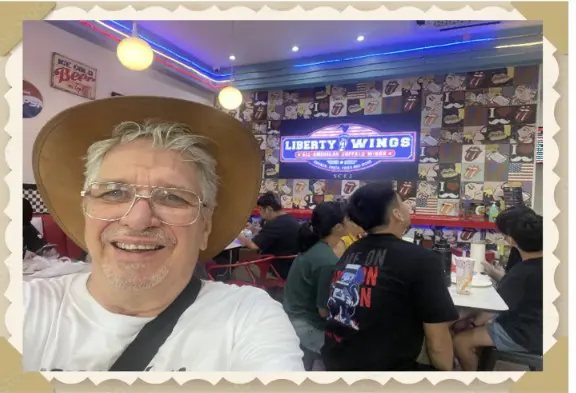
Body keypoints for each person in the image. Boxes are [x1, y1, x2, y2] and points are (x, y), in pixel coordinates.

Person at [23, 97, 304, 371]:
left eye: (172, 197)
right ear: (85, 210)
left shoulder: (248, 319)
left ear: (205, 226)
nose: (138, 220)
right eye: (114, 192)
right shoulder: (24, 306)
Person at [322, 181, 459, 371]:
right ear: (397, 214)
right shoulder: (422, 259)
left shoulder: (351, 251)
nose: (407, 207)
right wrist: (447, 377)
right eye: (403, 203)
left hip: (334, 361)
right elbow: (437, 344)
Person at [453, 212, 543, 371]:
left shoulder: (521, 273)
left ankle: (474, 383)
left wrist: (472, 323)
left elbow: (492, 310)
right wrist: (493, 272)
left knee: (460, 341)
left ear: (511, 240)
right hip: (541, 328)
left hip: (525, 335)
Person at [283, 201, 347, 370]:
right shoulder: (327, 260)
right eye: (350, 219)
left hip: (291, 318)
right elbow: (323, 310)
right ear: (338, 227)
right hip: (305, 326)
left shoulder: (313, 247)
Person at [238, 191, 300, 278]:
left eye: (260, 209)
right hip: (291, 266)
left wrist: (236, 233)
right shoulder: (287, 219)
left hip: (277, 269)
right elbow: (269, 235)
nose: (259, 212)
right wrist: (253, 229)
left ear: (268, 209)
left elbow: (254, 246)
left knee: (238, 271)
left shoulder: (275, 224)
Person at [482, 205, 536, 281]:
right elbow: (512, 280)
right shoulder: (516, 250)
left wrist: (496, 274)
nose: (504, 238)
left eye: (505, 234)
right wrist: (498, 273)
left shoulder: (533, 258)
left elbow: (517, 285)